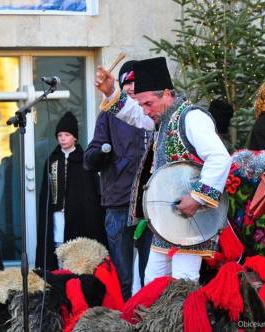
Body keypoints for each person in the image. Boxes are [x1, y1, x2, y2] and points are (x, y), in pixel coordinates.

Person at [94, 57, 232, 283]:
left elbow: (219, 158)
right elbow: (135, 115)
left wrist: (197, 197)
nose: (145, 111)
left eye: (148, 104)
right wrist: (111, 93)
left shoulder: (192, 117)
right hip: (167, 223)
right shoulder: (164, 117)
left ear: (167, 94)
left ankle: (181, 320)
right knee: (153, 282)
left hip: (191, 220)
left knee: (183, 283)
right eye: (142, 104)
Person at [84, 60, 153, 300]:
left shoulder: (151, 112)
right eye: (127, 83)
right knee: (124, 276)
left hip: (150, 206)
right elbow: (90, 156)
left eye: (136, 83)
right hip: (119, 202)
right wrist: (102, 154)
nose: (132, 88)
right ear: (120, 86)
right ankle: (124, 319)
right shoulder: (109, 114)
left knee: (149, 274)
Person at [36, 112, 106, 271]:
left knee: (76, 247)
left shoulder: (84, 159)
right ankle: (59, 275)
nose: (62, 138)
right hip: (57, 214)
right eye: (59, 135)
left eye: (66, 134)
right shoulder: (52, 160)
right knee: (59, 245)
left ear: (74, 137)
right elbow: (46, 192)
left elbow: (91, 191)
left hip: (79, 215)